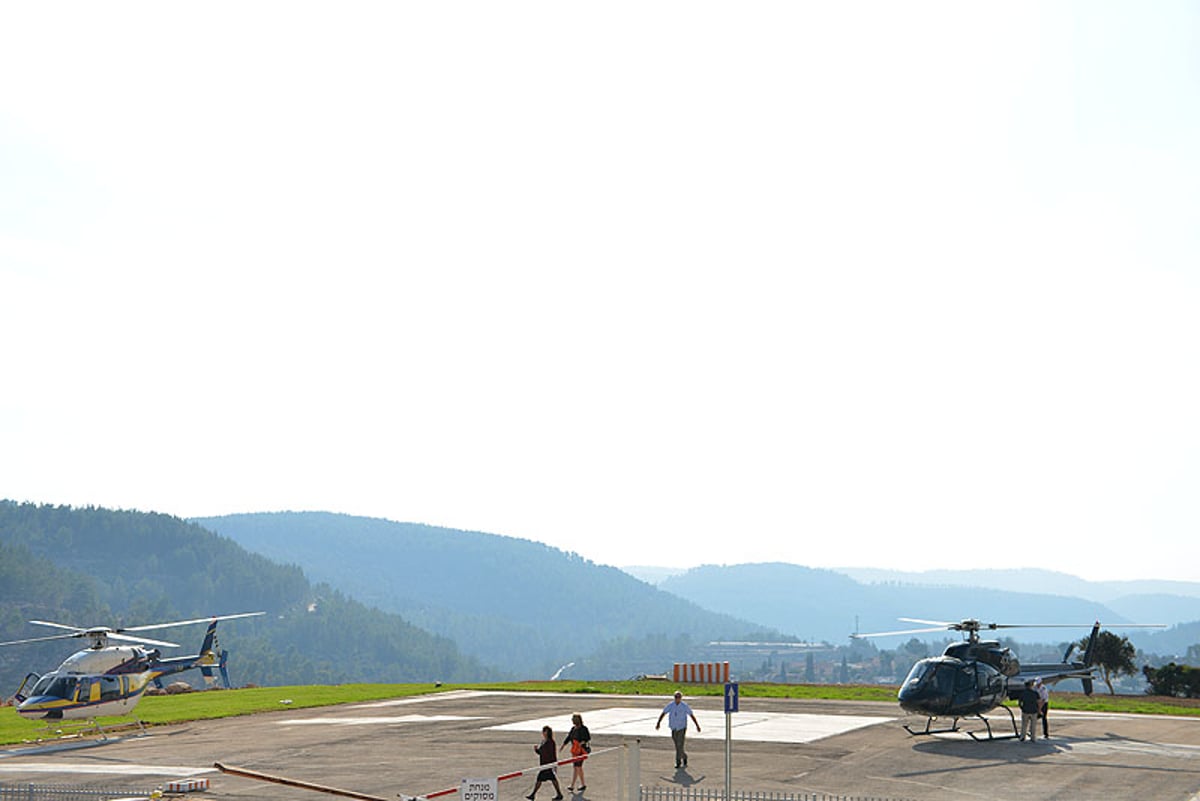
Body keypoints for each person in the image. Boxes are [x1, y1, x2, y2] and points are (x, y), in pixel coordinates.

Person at [655, 690, 701, 769]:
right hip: (673, 728)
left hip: (681, 728)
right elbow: (664, 713)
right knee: (677, 746)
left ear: (681, 698)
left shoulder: (684, 706)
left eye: (679, 697)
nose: (677, 698)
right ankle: (684, 756)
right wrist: (658, 723)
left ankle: (678, 762)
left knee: (679, 745)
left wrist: (697, 725)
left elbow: (691, 715)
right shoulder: (671, 705)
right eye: (676, 697)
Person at [526, 726, 564, 801]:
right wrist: (536, 750)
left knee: (540, 779)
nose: (543, 733)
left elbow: (552, 753)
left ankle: (533, 794)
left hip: (547, 764)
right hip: (544, 764)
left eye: (544, 731)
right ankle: (559, 794)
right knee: (552, 779)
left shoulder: (550, 742)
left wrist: (554, 764)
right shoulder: (544, 741)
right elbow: (541, 752)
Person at [561, 712, 591, 793]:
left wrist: (582, 742)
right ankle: (577, 785)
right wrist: (563, 745)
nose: (572, 721)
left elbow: (588, 738)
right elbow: (568, 737)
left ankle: (576, 785)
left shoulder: (583, 729)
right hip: (575, 750)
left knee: (577, 767)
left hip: (581, 751)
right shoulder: (573, 729)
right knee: (576, 767)